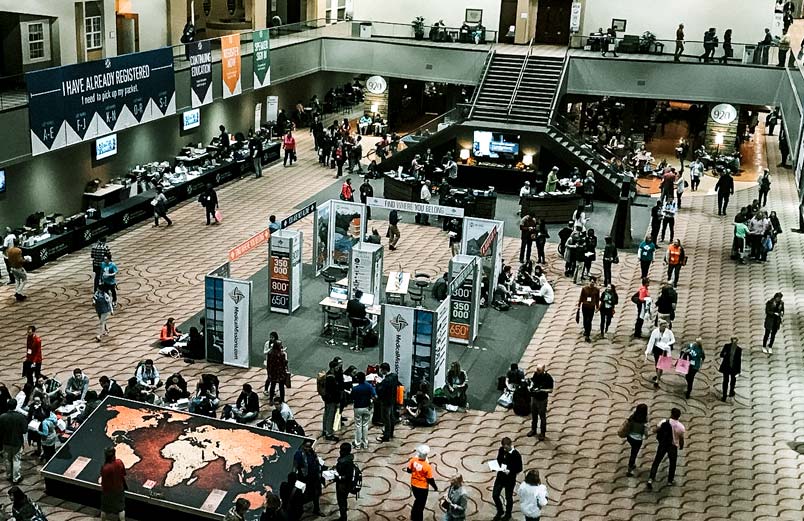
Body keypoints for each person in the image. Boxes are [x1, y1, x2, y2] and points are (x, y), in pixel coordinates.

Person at [646, 408, 685, 490]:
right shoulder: (681, 427)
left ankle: (650, 479)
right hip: (673, 447)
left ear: (671, 414)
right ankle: (670, 481)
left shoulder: (664, 421)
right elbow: (681, 439)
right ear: (678, 416)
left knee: (656, 461)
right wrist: (681, 446)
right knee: (672, 463)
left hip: (663, 444)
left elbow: (655, 430)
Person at [491, 437, 523, 520]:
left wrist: (510, 471)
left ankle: (508, 514)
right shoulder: (501, 450)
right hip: (500, 476)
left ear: (510, 445)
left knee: (508, 498)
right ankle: (500, 510)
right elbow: (499, 460)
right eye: (504, 447)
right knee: (495, 495)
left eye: (506, 447)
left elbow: (519, 468)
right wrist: (496, 466)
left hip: (510, 479)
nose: (504, 449)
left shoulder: (516, 454)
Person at [406, 444, 438, 521]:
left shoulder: (413, 460)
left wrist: (415, 471)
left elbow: (408, 470)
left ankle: (413, 516)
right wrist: (435, 487)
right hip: (423, 488)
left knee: (417, 500)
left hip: (413, 484)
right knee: (421, 505)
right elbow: (430, 479)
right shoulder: (427, 466)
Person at [0, 400, 26, 484]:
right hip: (17, 442)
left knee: (7, 459)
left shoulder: (2, 416)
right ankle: (16, 477)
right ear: (16, 405)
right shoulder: (20, 417)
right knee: (16, 460)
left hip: (5, 441)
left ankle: (9, 475)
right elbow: (24, 430)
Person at [294, 439, 323, 516]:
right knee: (302, 495)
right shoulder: (299, 454)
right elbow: (295, 466)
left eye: (309, 447)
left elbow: (316, 461)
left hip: (314, 476)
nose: (308, 448)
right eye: (307, 447)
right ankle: (299, 511)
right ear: (303, 446)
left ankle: (316, 509)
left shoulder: (312, 452)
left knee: (316, 494)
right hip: (304, 477)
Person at [645, 321, 675, 389]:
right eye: (663, 326)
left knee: (660, 365)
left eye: (666, 326)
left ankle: (657, 380)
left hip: (664, 350)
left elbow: (673, 340)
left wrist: (668, 344)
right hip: (657, 349)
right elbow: (651, 341)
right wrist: (648, 350)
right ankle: (658, 375)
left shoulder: (669, 332)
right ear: (660, 326)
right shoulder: (655, 332)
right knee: (657, 364)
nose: (665, 328)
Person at [528, 365, 554, 440]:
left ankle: (542, 433)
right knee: (534, 415)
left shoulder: (548, 378)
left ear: (543, 370)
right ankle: (533, 430)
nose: (537, 372)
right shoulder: (536, 374)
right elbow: (533, 381)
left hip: (542, 400)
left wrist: (541, 390)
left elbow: (550, 390)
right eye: (537, 370)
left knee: (542, 417)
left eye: (539, 370)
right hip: (534, 398)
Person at [101, 446, 127, 521]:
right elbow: (124, 474)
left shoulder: (105, 468)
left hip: (108, 491)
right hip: (119, 489)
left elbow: (104, 480)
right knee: (121, 508)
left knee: (104, 508)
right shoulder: (119, 462)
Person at [350, 371, 375, 449]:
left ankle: (357, 444)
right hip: (367, 407)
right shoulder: (369, 386)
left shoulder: (355, 388)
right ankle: (365, 443)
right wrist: (371, 404)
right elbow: (374, 396)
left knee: (358, 425)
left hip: (358, 408)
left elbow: (351, 398)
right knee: (365, 425)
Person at [332, 442, 356, 521]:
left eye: (341, 450)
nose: (339, 452)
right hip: (342, 484)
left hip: (343, 485)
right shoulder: (347, 458)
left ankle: (343, 518)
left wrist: (337, 477)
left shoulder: (347, 462)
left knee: (341, 501)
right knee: (342, 501)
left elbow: (347, 476)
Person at [622, 403, 648, 476]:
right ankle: (629, 470)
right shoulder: (644, 420)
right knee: (634, 454)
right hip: (638, 439)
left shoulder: (633, 416)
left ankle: (632, 464)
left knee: (633, 450)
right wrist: (646, 435)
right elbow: (646, 432)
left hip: (630, 437)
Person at [375, 362, 398, 443]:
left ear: (384, 370)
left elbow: (381, 390)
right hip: (392, 400)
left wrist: (378, 384)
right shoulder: (394, 376)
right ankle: (391, 432)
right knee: (391, 417)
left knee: (386, 419)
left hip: (385, 401)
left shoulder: (386, 381)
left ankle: (386, 436)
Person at [264, 332, 288, 402]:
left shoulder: (270, 353)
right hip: (280, 373)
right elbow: (285, 363)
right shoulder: (282, 354)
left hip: (273, 373)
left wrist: (269, 372)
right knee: (281, 387)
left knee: (272, 386)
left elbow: (268, 363)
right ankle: (282, 400)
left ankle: (271, 400)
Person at [322, 359, 341, 441]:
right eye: (337, 367)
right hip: (331, 400)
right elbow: (334, 391)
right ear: (333, 367)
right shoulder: (331, 378)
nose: (338, 368)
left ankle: (325, 429)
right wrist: (337, 401)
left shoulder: (328, 375)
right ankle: (329, 433)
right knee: (330, 416)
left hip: (327, 398)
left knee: (326, 414)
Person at [577, 277, 600, 342]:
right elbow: (581, 297)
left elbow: (597, 299)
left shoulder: (596, 290)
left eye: (593, 282)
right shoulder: (584, 289)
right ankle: (585, 329)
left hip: (591, 307)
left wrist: (597, 307)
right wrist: (579, 305)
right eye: (591, 282)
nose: (592, 283)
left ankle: (588, 334)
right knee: (585, 319)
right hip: (585, 306)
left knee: (589, 321)